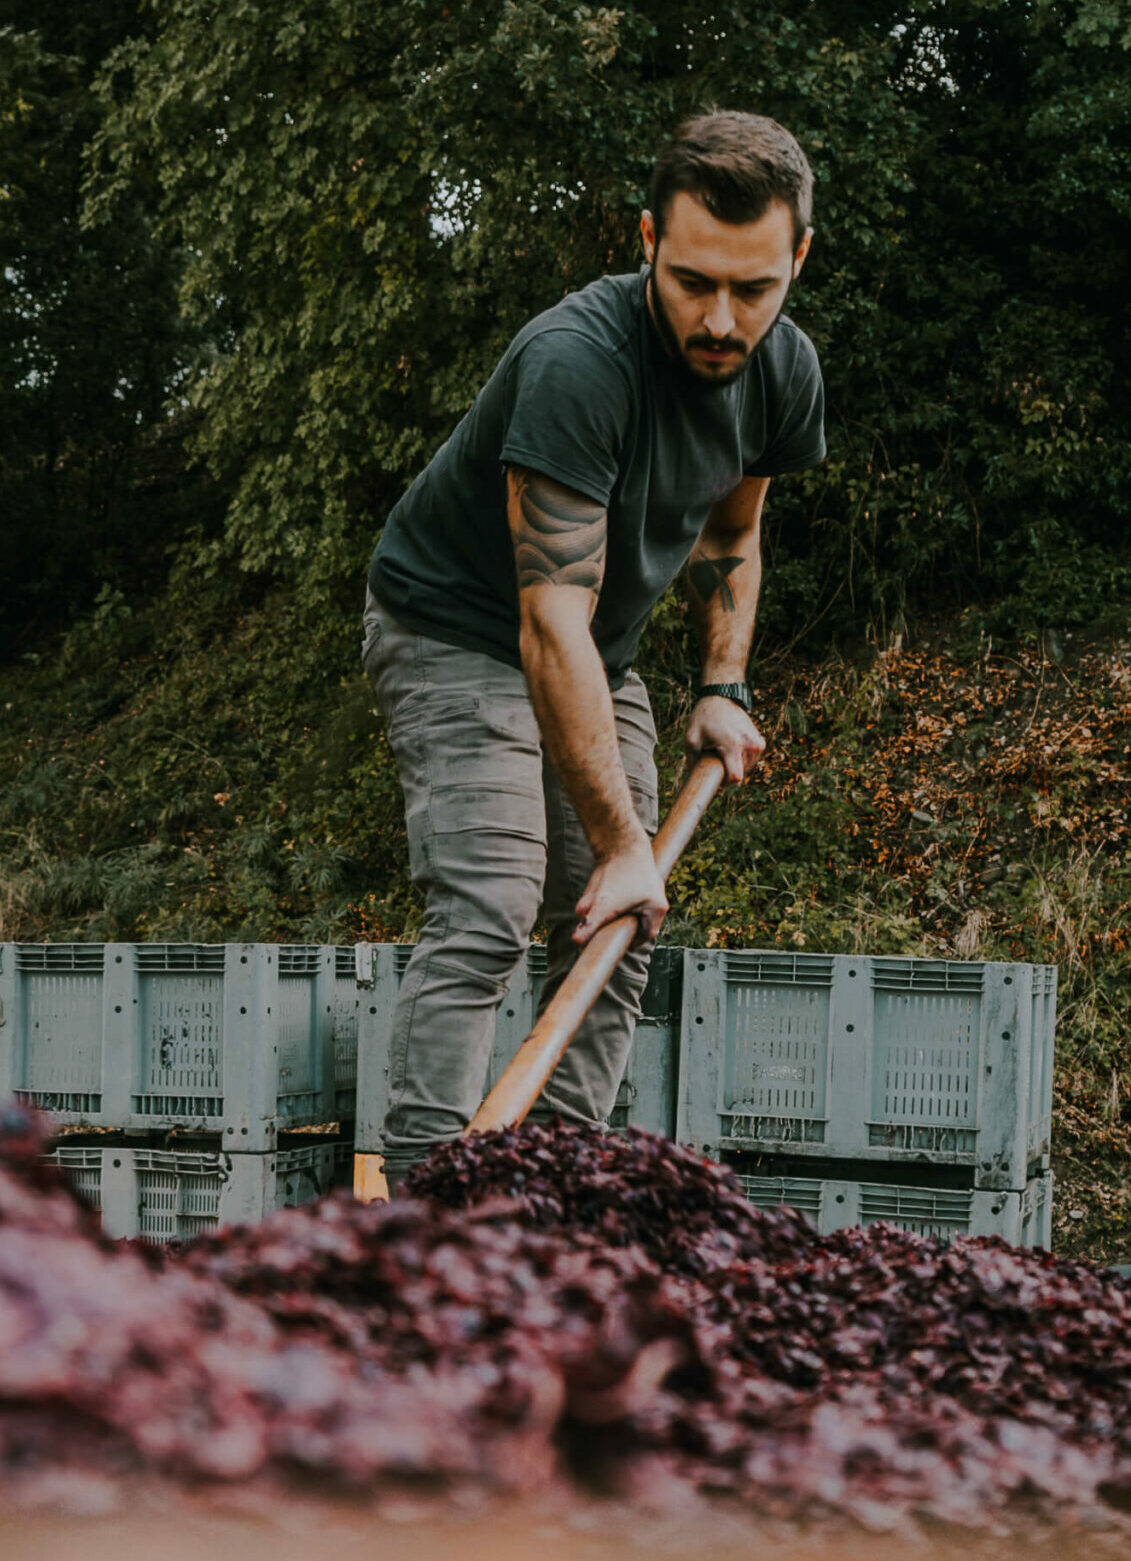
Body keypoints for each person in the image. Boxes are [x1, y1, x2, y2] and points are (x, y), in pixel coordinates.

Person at [362, 109, 826, 1181]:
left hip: (590, 648)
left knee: (619, 931)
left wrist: (720, 682)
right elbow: (547, 619)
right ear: (646, 241)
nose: (720, 318)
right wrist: (622, 840)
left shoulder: (780, 371)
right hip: (456, 623)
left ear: (795, 258)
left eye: (753, 288)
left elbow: (731, 531)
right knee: (490, 906)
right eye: (692, 279)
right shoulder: (579, 362)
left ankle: (555, 1199)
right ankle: (428, 1215)